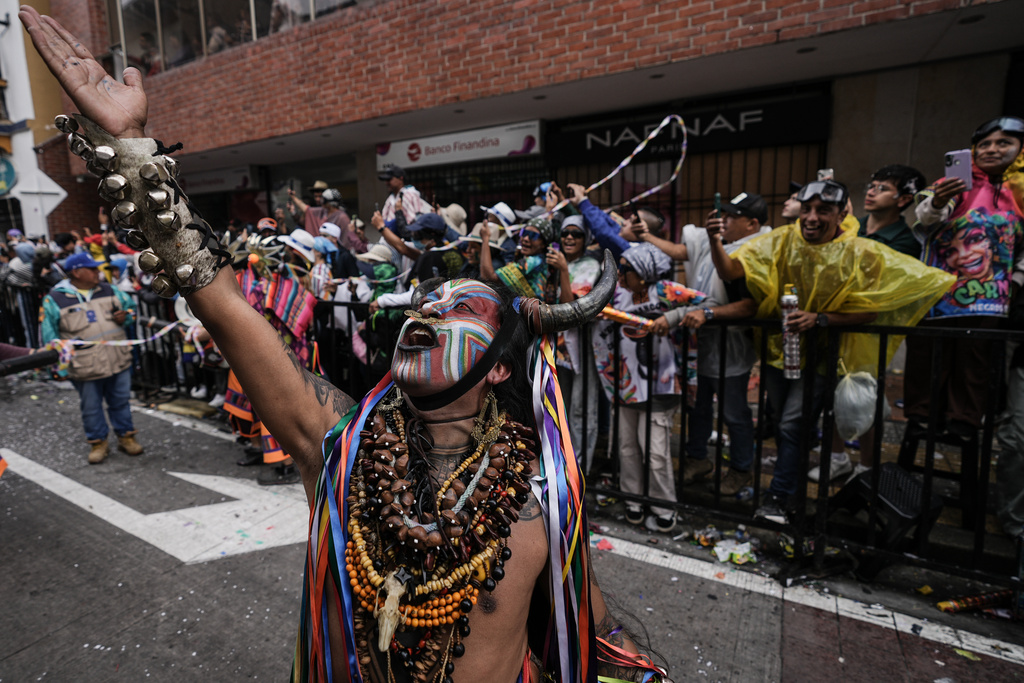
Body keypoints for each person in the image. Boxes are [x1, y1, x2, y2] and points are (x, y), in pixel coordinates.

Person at [20, 7, 670, 680]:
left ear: (502, 363)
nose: (427, 310)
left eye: (456, 309)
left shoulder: (544, 497)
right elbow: (225, 308)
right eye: (426, 301)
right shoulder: (345, 447)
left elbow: (595, 630)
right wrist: (132, 150)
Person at [707, 179, 955, 523]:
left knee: (793, 425)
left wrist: (821, 318)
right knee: (783, 424)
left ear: (841, 214)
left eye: (823, 210)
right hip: (782, 353)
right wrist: (714, 239)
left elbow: (869, 311)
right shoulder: (780, 240)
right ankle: (790, 495)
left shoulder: (860, 252)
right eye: (806, 209)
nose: (811, 217)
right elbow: (731, 269)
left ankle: (778, 498)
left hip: (826, 356)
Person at [905, 116, 1024, 438]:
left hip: (992, 296)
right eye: (984, 143)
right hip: (938, 292)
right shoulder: (959, 180)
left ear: (1020, 149)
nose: (992, 149)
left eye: (1003, 143)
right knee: (929, 356)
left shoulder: (1020, 194)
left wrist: (1015, 282)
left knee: (975, 360)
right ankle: (921, 415)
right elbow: (926, 218)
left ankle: (965, 419)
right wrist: (940, 201)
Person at [809, 164, 928, 484]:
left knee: (864, 399)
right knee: (833, 397)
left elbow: (880, 282)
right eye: (871, 186)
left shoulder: (905, 241)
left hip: (871, 330)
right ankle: (835, 457)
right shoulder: (852, 226)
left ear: (904, 200)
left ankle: (867, 466)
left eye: (883, 188)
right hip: (835, 323)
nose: (871, 192)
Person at [648, 193, 769, 495]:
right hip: (701, 349)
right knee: (697, 408)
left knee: (733, 412)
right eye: (723, 215)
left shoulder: (754, 254)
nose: (724, 221)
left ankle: (741, 469)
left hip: (731, 351)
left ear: (752, 224)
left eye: (732, 217)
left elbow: (749, 306)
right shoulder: (716, 246)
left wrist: (709, 313)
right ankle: (697, 459)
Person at [593, 242, 698, 532]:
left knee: (655, 450)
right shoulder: (617, 294)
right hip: (625, 385)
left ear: (644, 271)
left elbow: (707, 304)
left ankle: (664, 505)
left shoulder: (665, 290)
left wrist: (672, 317)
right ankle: (632, 499)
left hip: (661, 386)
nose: (620, 275)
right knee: (626, 447)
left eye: (625, 269)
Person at [40, 252, 143, 464]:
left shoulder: (110, 290)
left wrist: (127, 317)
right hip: (84, 365)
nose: (98, 272)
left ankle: (126, 437)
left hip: (118, 360)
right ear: (76, 272)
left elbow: (132, 312)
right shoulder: (55, 299)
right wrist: (59, 367)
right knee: (91, 406)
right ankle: (97, 442)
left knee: (120, 402)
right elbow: (50, 337)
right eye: (92, 268)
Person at [379, 166, 433, 235]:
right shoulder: (390, 198)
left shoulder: (411, 195)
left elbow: (416, 223)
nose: (386, 183)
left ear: (401, 179)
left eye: (389, 179)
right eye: (386, 180)